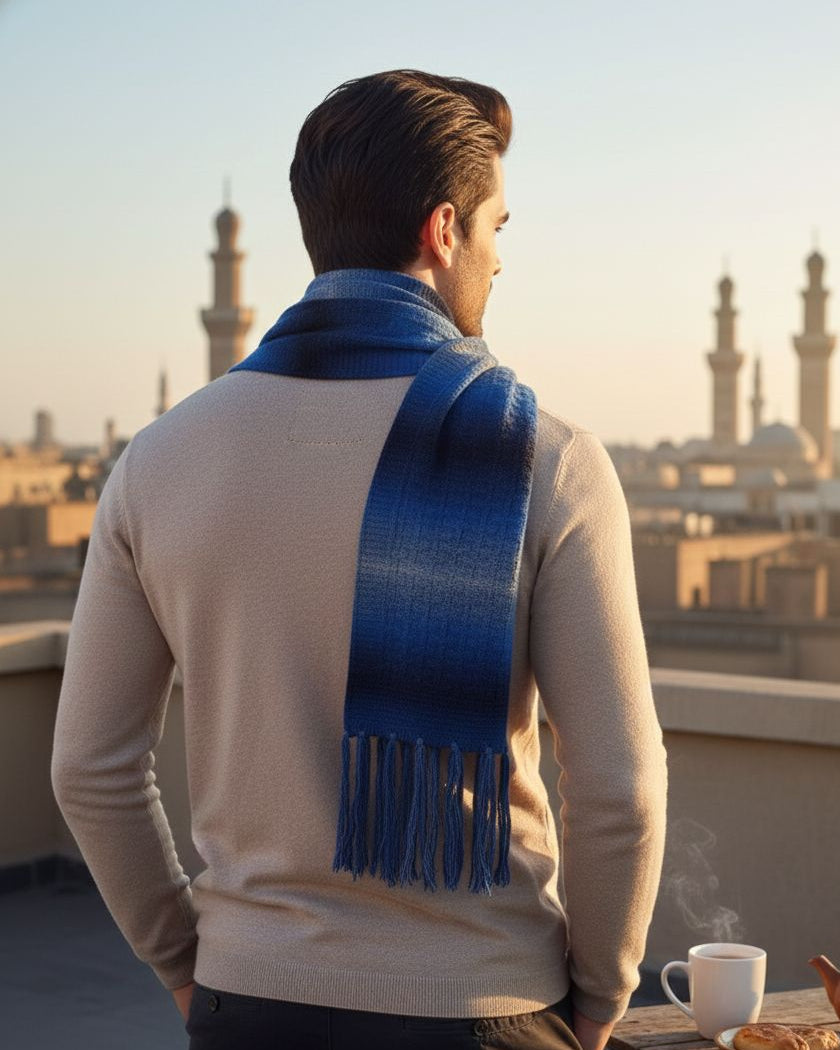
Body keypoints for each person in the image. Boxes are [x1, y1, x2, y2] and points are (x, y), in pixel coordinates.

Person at [51, 69, 668, 1050]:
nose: (500, 260)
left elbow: (90, 769)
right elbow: (619, 789)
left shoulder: (160, 461)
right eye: (497, 227)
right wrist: (597, 999)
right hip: (487, 1006)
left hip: (250, 1001)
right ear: (443, 230)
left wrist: (186, 964)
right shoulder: (547, 459)